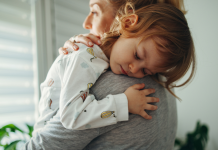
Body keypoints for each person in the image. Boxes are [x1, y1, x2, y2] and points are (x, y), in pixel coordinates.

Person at [24, 0, 194, 149]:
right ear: (127, 23)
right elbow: (71, 117)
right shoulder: (85, 57)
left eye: (95, 11)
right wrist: (124, 103)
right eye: (137, 56)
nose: (134, 70)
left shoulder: (111, 71)